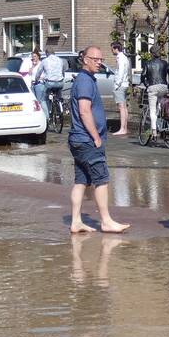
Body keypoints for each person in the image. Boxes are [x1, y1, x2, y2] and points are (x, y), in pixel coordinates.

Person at [68, 46, 129, 234]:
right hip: (87, 140)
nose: (99, 63)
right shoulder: (85, 81)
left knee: (81, 181)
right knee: (101, 179)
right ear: (85, 59)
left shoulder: (84, 79)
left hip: (78, 139)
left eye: (101, 59)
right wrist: (95, 137)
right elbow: (84, 111)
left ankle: (76, 221)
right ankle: (106, 221)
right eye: (95, 59)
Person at [142, 45, 169, 135]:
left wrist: (146, 84)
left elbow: (143, 76)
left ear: (151, 54)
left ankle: (154, 131)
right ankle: (163, 119)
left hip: (152, 87)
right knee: (161, 103)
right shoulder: (165, 63)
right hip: (163, 87)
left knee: (152, 110)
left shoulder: (147, 63)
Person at [111, 42, 130, 135]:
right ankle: (124, 128)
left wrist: (117, 84)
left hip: (120, 85)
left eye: (112, 49)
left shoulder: (120, 58)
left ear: (116, 49)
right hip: (125, 84)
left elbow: (121, 72)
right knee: (124, 107)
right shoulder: (124, 57)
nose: (111, 51)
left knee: (121, 107)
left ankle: (122, 129)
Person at [39, 48, 66, 114]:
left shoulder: (45, 61)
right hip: (60, 83)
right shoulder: (60, 60)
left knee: (43, 99)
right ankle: (60, 106)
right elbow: (63, 71)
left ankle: (47, 116)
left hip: (50, 83)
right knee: (58, 95)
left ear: (46, 53)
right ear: (54, 53)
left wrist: (37, 79)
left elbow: (39, 72)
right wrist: (62, 78)